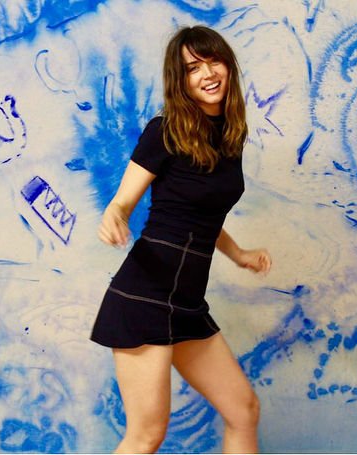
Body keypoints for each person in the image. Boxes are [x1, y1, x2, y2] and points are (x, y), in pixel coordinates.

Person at [90, 25, 272, 454]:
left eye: (213, 61)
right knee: (146, 435)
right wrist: (114, 217)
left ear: (227, 66)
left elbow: (202, 214)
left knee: (243, 410)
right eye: (193, 68)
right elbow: (122, 203)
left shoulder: (229, 136)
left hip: (186, 303)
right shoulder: (165, 130)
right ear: (181, 80)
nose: (207, 74)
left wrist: (239, 253)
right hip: (145, 297)